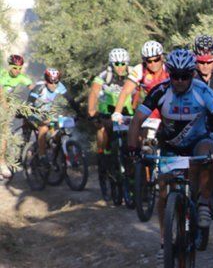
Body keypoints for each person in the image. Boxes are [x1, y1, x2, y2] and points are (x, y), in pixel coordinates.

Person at [126, 49, 213, 268]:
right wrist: (132, 147)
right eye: (175, 75)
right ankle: (164, 244)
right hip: (171, 146)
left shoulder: (203, 91)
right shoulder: (160, 91)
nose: (179, 81)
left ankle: (204, 201)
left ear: (192, 74)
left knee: (209, 152)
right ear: (170, 73)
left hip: (198, 142)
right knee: (164, 193)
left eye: (185, 76)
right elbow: (137, 120)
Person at [87, 48, 135, 189]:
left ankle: (134, 178)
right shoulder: (104, 76)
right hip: (106, 111)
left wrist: (137, 105)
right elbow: (94, 92)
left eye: (122, 63)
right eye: (116, 64)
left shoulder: (132, 73)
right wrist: (91, 110)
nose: (120, 67)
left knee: (131, 143)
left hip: (126, 112)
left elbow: (139, 90)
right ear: (111, 64)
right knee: (103, 131)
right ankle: (103, 155)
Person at [25, 68, 78, 163]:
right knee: (44, 128)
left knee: (60, 130)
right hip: (33, 113)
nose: (53, 85)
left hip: (47, 113)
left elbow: (70, 100)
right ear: (46, 80)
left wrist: (79, 112)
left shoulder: (59, 86)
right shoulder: (39, 88)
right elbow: (29, 105)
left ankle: (54, 151)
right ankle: (42, 155)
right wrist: (40, 118)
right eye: (50, 82)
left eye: (56, 82)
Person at [112, 40, 168, 124]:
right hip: (150, 107)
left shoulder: (168, 68)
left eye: (156, 59)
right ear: (144, 60)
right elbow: (125, 91)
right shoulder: (140, 69)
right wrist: (117, 112)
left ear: (162, 57)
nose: (153, 64)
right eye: (149, 61)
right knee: (139, 128)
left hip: (168, 106)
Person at [0, 54, 33, 177]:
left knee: (5, 133)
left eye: (20, 68)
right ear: (9, 66)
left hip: (7, 106)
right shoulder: (2, 74)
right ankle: (2, 162)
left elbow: (34, 88)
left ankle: (6, 161)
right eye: (14, 68)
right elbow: (1, 92)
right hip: (2, 105)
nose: (17, 71)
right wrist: (6, 106)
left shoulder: (21, 77)